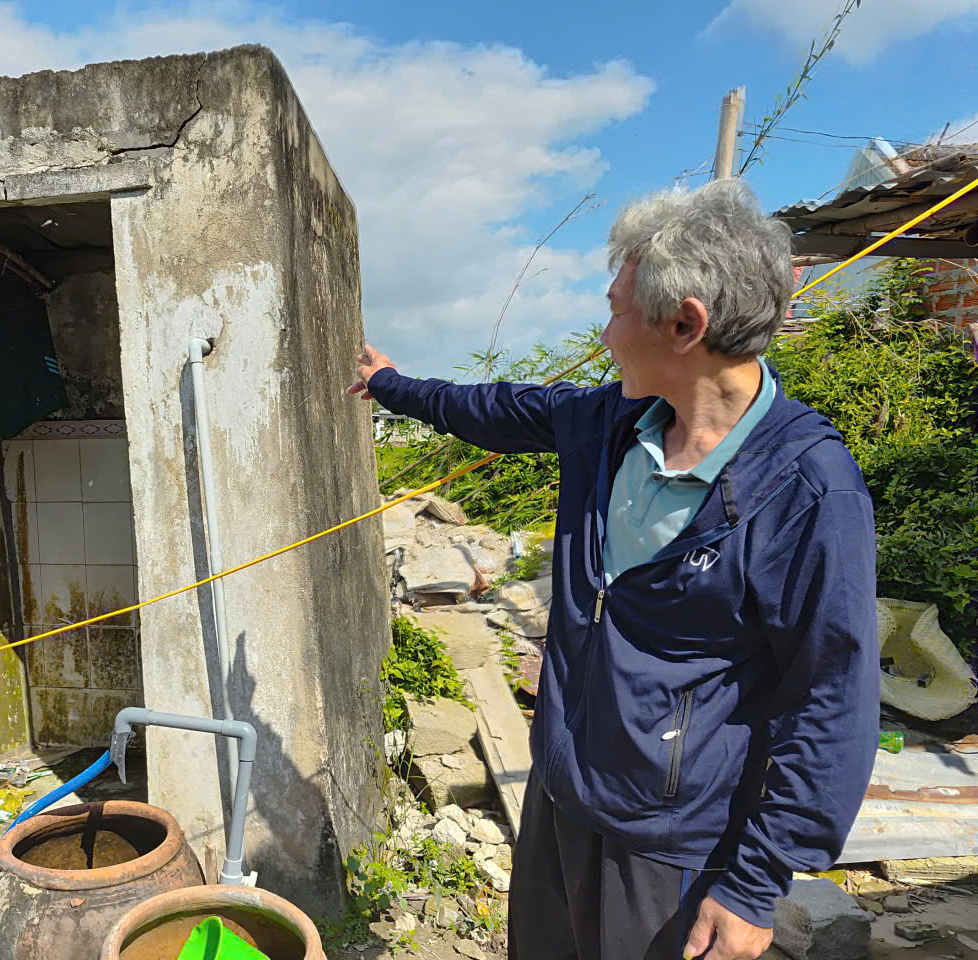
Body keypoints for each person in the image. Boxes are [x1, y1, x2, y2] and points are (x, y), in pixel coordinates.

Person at [348, 179, 879, 960]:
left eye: (617, 310)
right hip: (562, 796)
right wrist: (390, 384)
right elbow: (494, 409)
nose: (604, 334)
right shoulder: (614, 423)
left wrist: (754, 884)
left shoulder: (807, 490)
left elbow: (832, 695)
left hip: (671, 847)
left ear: (684, 324)